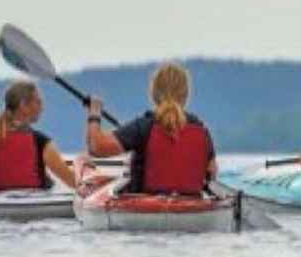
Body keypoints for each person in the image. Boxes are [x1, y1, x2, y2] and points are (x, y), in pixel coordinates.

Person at [85, 62, 217, 194]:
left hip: (143, 206)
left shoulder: (143, 127)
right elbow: (211, 173)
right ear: (186, 95)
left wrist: (94, 113)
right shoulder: (201, 130)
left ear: (153, 93)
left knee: (82, 161)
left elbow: (96, 147)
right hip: (191, 206)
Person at [0, 80, 77, 191]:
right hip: (33, 203)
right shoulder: (41, 142)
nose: (42, 107)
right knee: (47, 180)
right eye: (38, 102)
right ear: (23, 105)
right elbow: (72, 182)